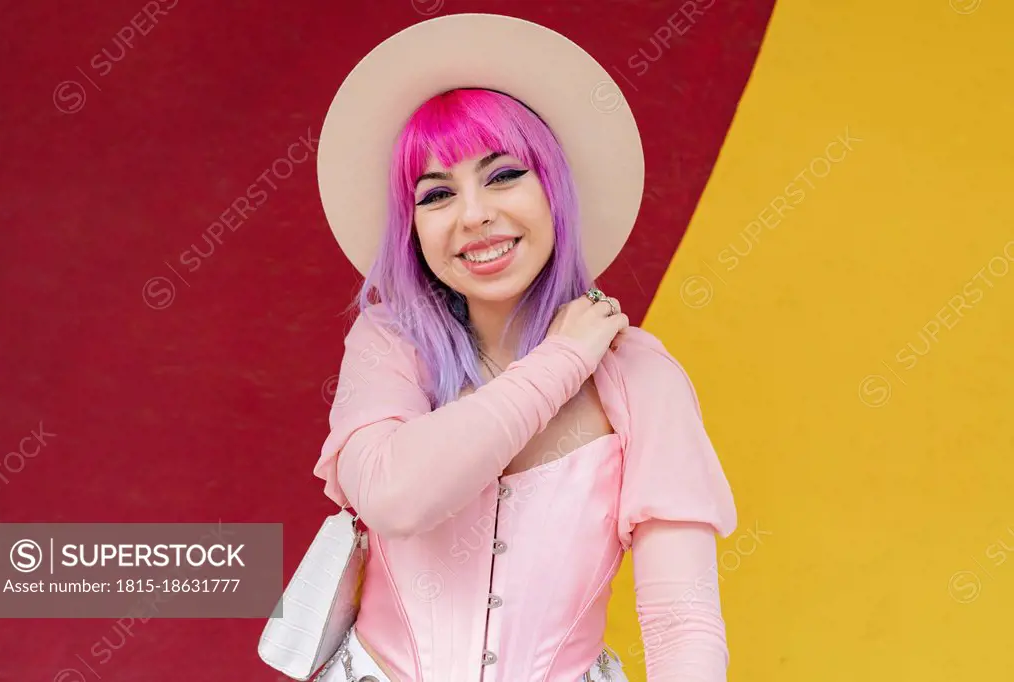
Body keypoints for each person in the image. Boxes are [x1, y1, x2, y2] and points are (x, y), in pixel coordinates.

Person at [311, 13, 737, 682]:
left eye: (504, 175)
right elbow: (396, 499)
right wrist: (561, 363)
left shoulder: (641, 378)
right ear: (413, 227)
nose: (474, 214)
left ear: (555, 190)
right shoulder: (389, 344)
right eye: (437, 194)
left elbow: (682, 627)